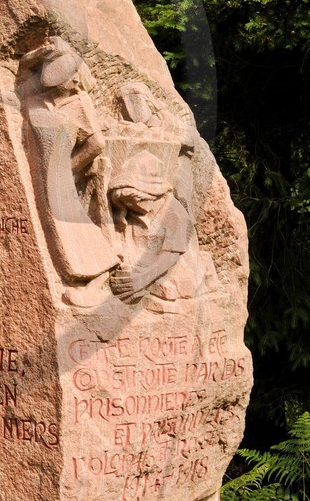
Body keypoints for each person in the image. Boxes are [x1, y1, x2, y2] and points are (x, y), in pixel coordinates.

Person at [21, 39, 118, 288]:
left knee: (66, 225)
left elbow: (96, 144)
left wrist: (70, 168)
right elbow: (23, 65)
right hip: (35, 174)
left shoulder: (79, 103)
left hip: (61, 176)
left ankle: (91, 270)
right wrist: (44, 51)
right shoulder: (33, 101)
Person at [109, 149, 207, 306]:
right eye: (126, 204)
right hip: (142, 269)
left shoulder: (175, 214)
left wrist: (141, 280)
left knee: (169, 289)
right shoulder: (133, 214)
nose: (131, 207)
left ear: (152, 193)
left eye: (134, 201)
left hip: (172, 270)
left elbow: (170, 257)